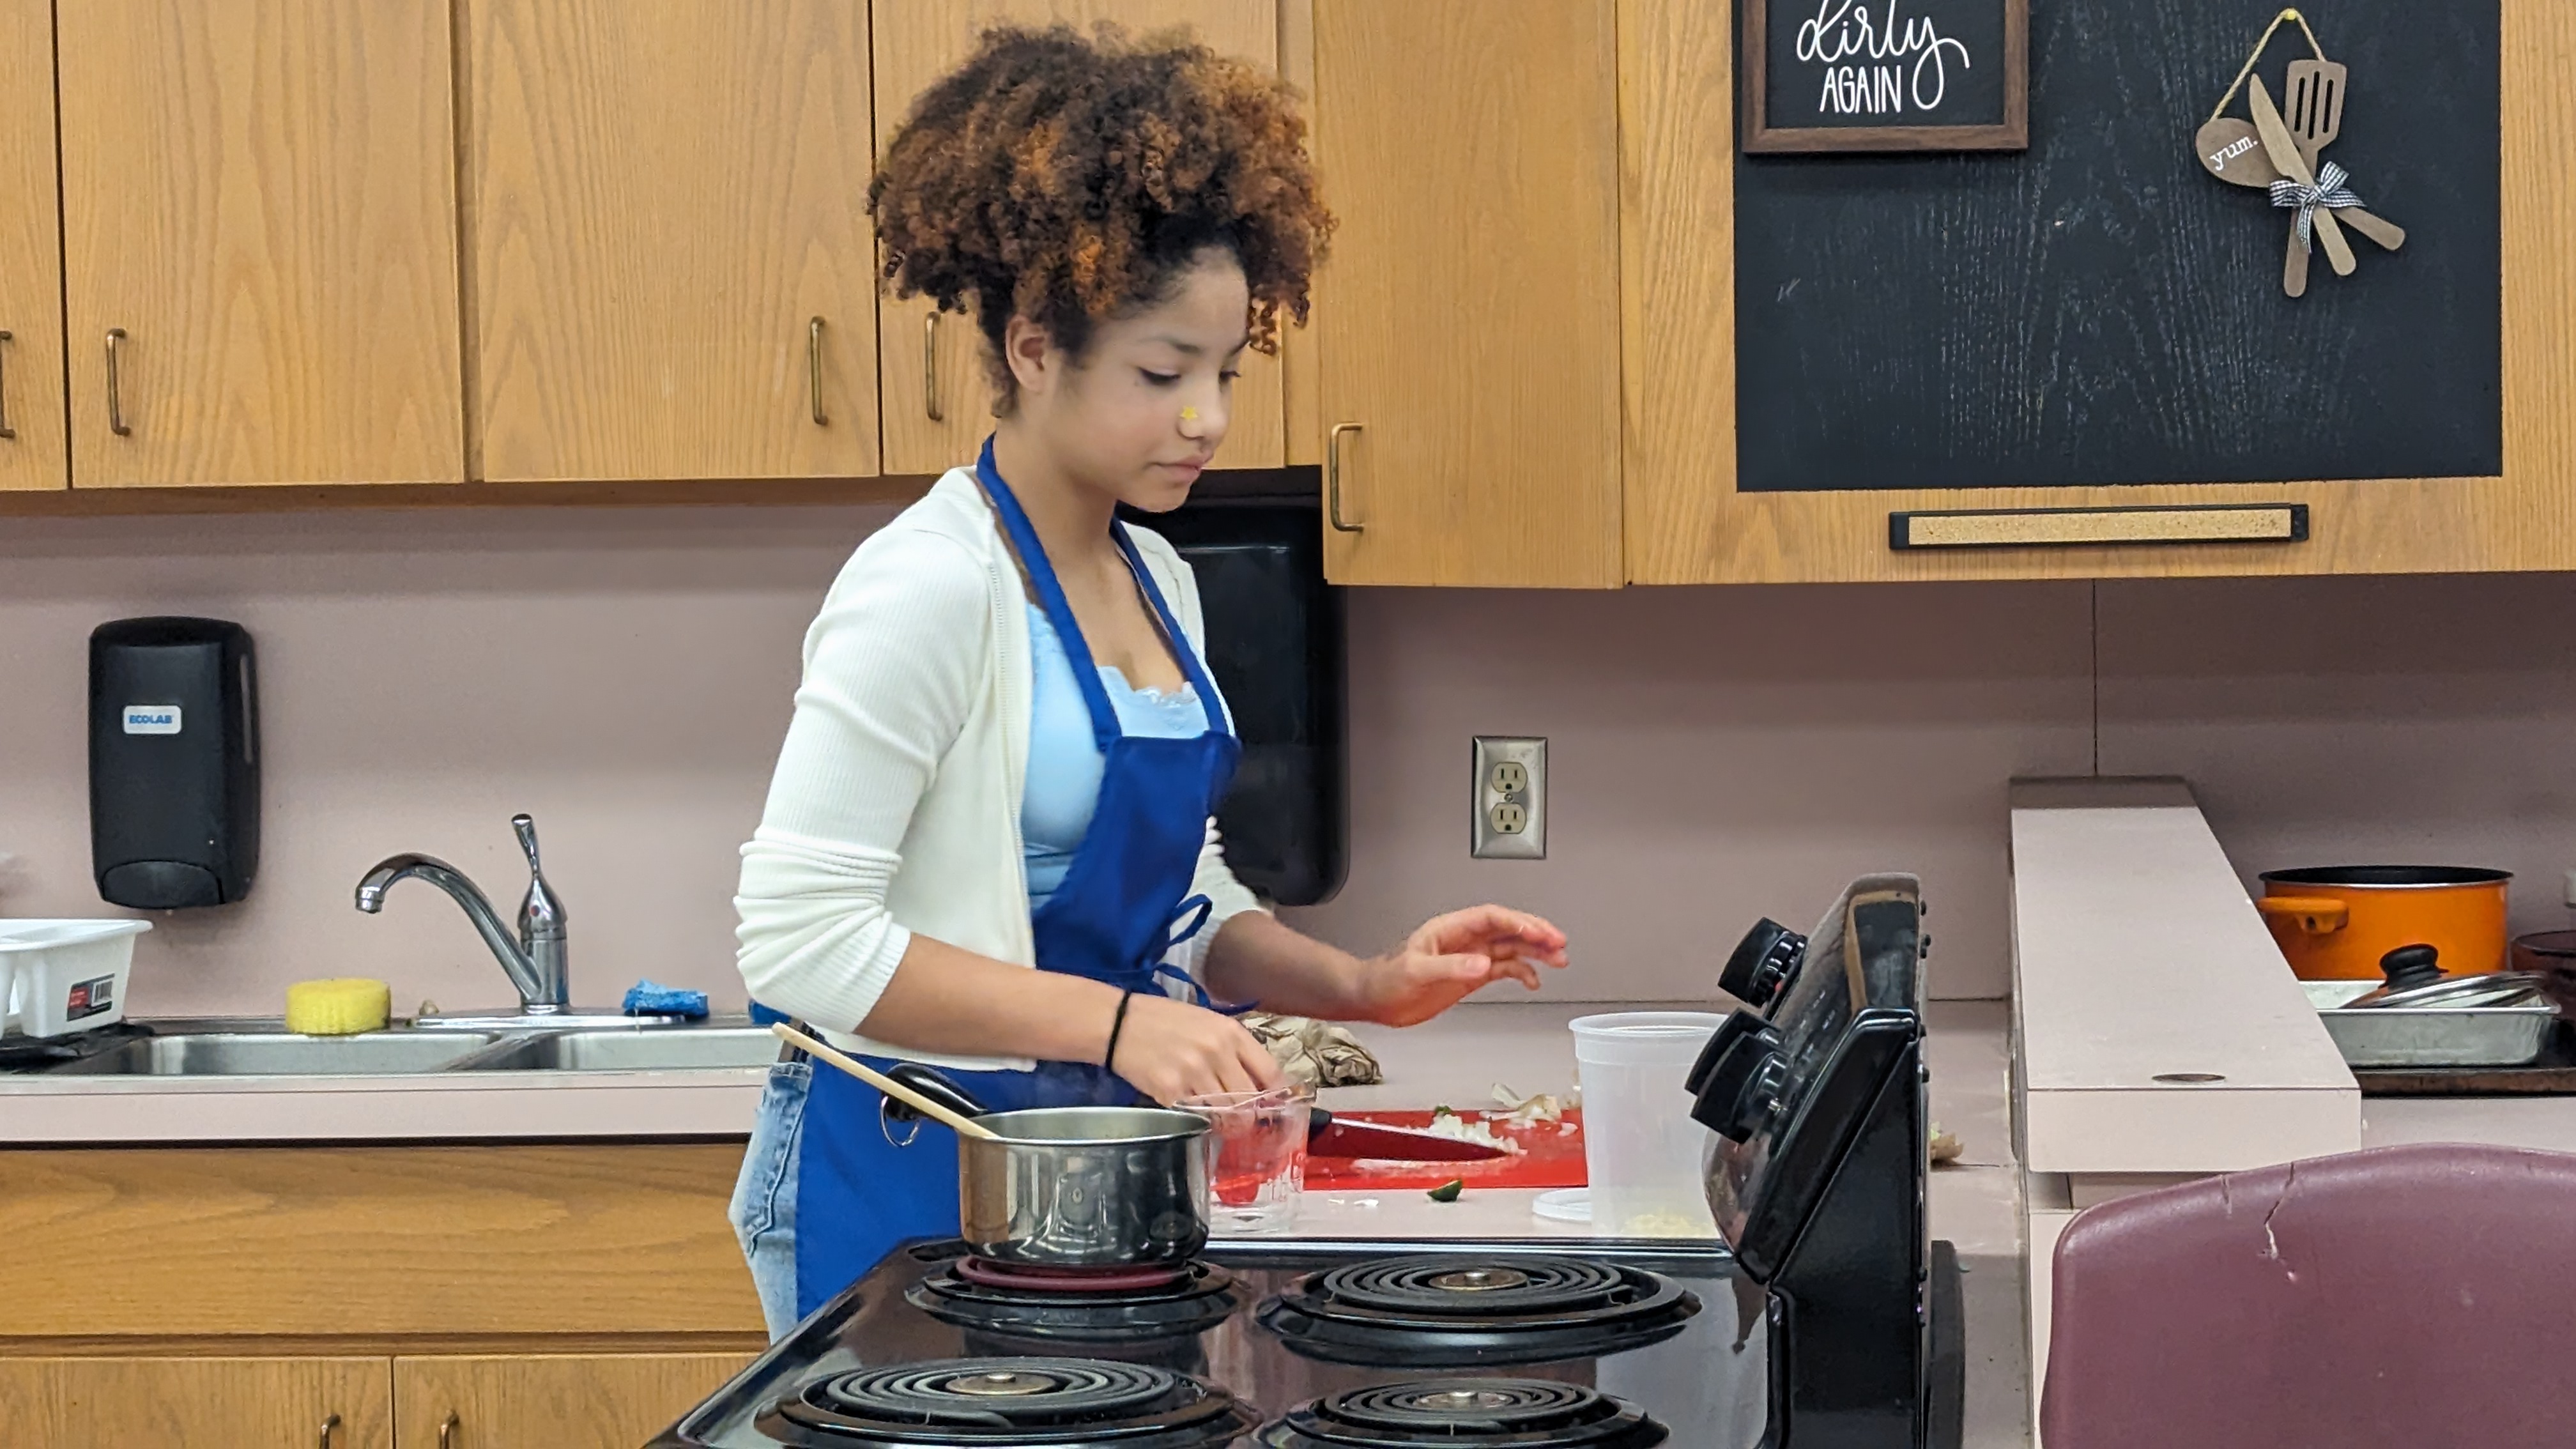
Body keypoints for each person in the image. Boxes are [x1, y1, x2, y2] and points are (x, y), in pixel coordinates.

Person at [726, 24, 1568, 1338]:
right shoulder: (930, 587)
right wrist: (1119, 1027)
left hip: (1077, 1169)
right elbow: (795, 939)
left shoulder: (1159, 584)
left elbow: (1185, 898)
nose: (1209, 420)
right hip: (902, 1164)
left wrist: (1362, 984)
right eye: (1162, 374)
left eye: (1225, 373)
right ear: (1031, 349)